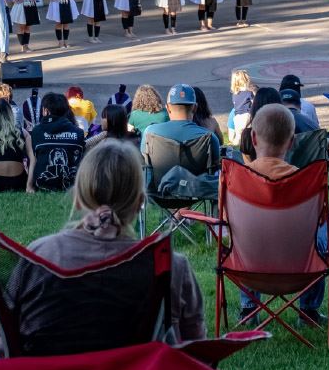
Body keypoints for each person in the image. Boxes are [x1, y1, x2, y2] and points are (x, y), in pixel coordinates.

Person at [23, 141, 205, 345]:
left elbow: (14, 338)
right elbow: (195, 350)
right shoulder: (171, 267)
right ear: (139, 203)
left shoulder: (39, 256)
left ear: (78, 199)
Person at [241, 104, 327, 327]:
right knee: (324, 232)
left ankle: (248, 309)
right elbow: (318, 221)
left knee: (242, 234)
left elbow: (226, 225)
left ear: (253, 138)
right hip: (300, 271)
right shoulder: (306, 181)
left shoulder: (236, 180)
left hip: (247, 268)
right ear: (291, 142)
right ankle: (308, 310)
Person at [141, 84, 221, 169]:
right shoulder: (210, 137)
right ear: (195, 108)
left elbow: (144, 161)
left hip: (160, 182)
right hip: (195, 182)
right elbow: (215, 166)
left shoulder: (149, 132)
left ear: (168, 108)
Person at [31, 92, 85, 191]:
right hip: (72, 189)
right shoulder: (78, 133)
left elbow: (34, 158)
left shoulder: (36, 131)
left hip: (41, 189)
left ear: (45, 111)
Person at [238, 87, 282, 162]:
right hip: (284, 172)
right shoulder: (285, 132)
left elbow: (248, 165)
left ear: (255, 106)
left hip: (255, 172)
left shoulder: (247, 135)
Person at [227, 68, 256, 145]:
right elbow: (255, 103)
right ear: (246, 80)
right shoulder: (249, 93)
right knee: (249, 133)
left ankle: (234, 145)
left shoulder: (235, 94)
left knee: (239, 135)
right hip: (247, 116)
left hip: (237, 117)